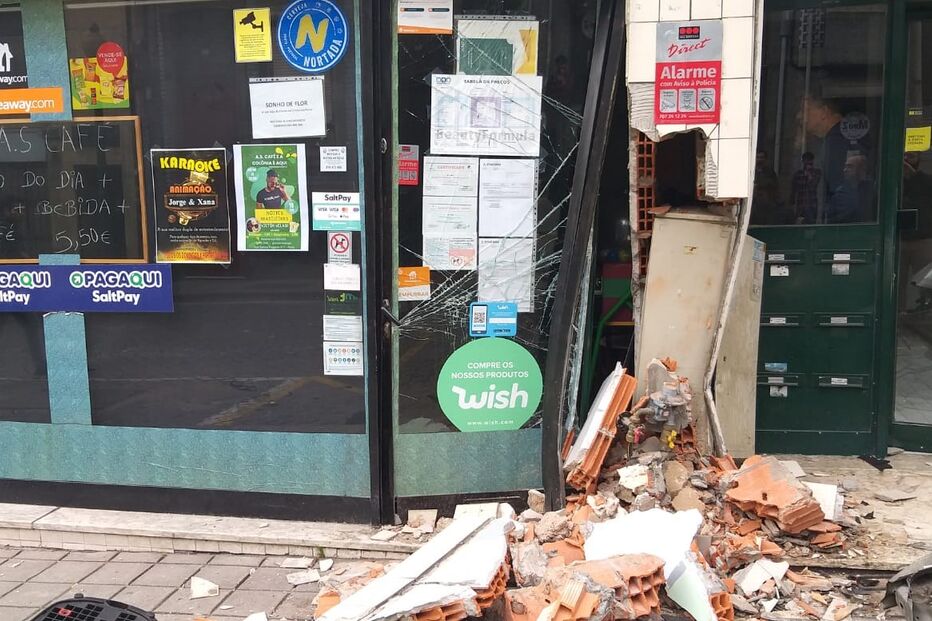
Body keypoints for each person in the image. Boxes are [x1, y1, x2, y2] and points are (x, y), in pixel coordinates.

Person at [823, 154, 873, 223]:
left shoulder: (871, 190)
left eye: (850, 167)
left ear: (862, 169)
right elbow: (831, 219)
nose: (845, 170)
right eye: (845, 166)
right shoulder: (840, 193)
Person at [790, 152, 822, 223]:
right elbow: (793, 190)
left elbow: (813, 184)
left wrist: (809, 174)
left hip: (811, 204)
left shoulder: (817, 172)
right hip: (800, 205)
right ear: (803, 161)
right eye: (806, 160)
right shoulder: (797, 174)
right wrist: (792, 205)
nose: (808, 162)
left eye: (810, 160)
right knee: (799, 225)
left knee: (811, 226)